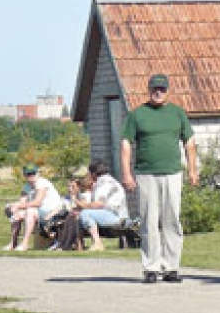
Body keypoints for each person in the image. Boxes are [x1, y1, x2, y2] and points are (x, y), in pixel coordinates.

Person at [120, 73, 199, 284]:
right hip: (146, 174)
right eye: (155, 89)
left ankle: (171, 266)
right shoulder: (137, 115)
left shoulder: (177, 113)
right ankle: (151, 267)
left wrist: (192, 169)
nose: (158, 92)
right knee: (149, 220)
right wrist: (126, 173)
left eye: (162, 89)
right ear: (149, 90)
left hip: (172, 172)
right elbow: (126, 144)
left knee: (172, 219)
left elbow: (189, 142)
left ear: (167, 91)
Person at [5, 164, 62, 252]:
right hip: (39, 212)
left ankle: (25, 243)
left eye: (33, 173)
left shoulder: (42, 183)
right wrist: (12, 207)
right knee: (17, 215)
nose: (31, 176)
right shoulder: (26, 187)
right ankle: (13, 243)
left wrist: (18, 205)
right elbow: (22, 202)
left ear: (38, 173)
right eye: (28, 174)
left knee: (30, 211)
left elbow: (37, 202)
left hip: (52, 212)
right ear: (25, 175)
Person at [76, 161, 129, 251]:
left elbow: (99, 204)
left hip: (116, 217)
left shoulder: (103, 182)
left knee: (85, 213)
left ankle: (97, 243)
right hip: (117, 215)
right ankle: (79, 246)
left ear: (93, 174)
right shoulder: (110, 180)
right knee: (81, 214)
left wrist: (81, 204)